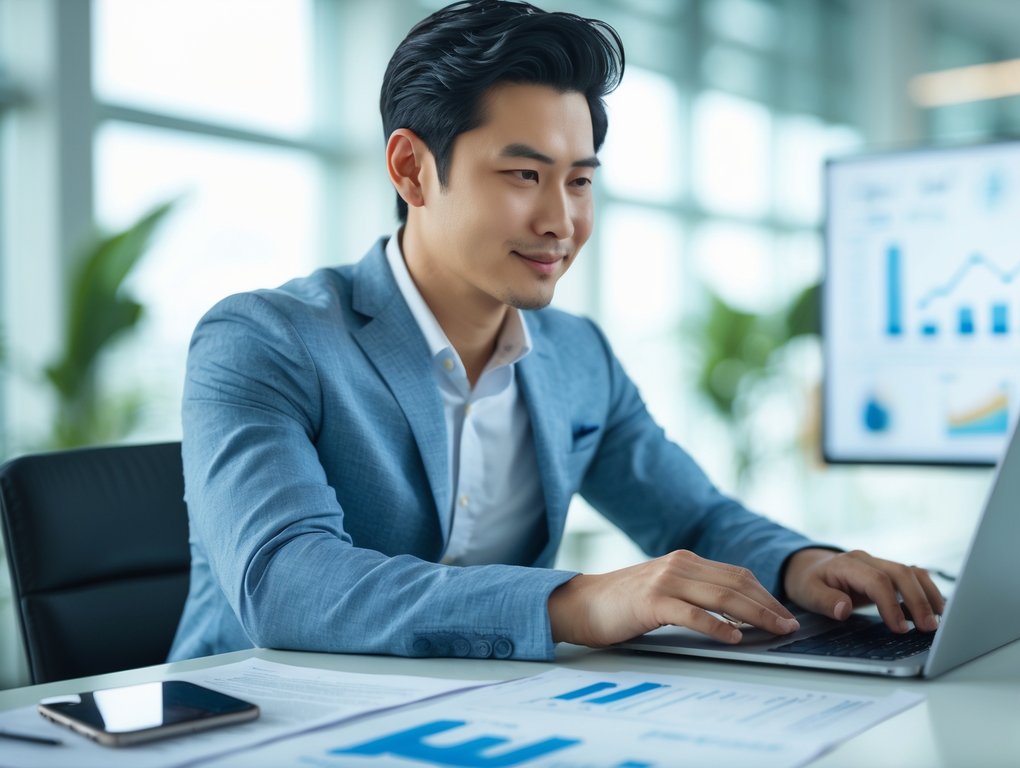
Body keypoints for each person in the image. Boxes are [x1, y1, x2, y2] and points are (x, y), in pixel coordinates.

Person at [168, 0, 944, 663]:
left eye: (578, 180)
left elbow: (693, 517)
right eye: (522, 176)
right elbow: (283, 581)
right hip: (248, 720)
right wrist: (575, 602)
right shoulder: (265, 340)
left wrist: (803, 563)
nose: (560, 222)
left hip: (478, 717)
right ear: (410, 170)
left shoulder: (577, 357)